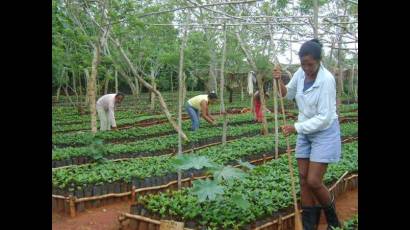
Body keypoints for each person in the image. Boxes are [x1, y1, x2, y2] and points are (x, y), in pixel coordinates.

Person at [273, 39, 341, 230]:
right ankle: (309, 225)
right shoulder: (300, 73)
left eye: (310, 64)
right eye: (303, 64)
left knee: (313, 180)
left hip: (324, 131)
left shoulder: (326, 80)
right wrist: (279, 81)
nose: (306, 68)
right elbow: (286, 94)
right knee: (303, 178)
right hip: (304, 128)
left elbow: (325, 118)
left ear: (319, 61)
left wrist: (296, 128)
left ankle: (333, 221)